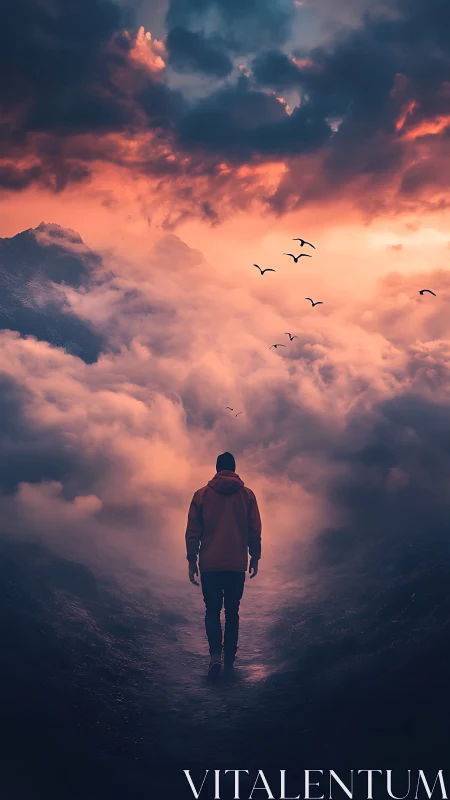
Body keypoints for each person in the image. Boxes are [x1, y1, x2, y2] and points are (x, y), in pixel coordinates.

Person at [185, 452, 262, 678]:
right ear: (234, 469)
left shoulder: (201, 495)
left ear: (216, 469)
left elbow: (193, 532)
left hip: (210, 564)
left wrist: (192, 560)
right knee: (232, 612)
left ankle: (214, 657)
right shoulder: (247, 496)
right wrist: (255, 557)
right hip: (236, 564)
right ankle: (229, 660)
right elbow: (254, 530)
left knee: (212, 610)